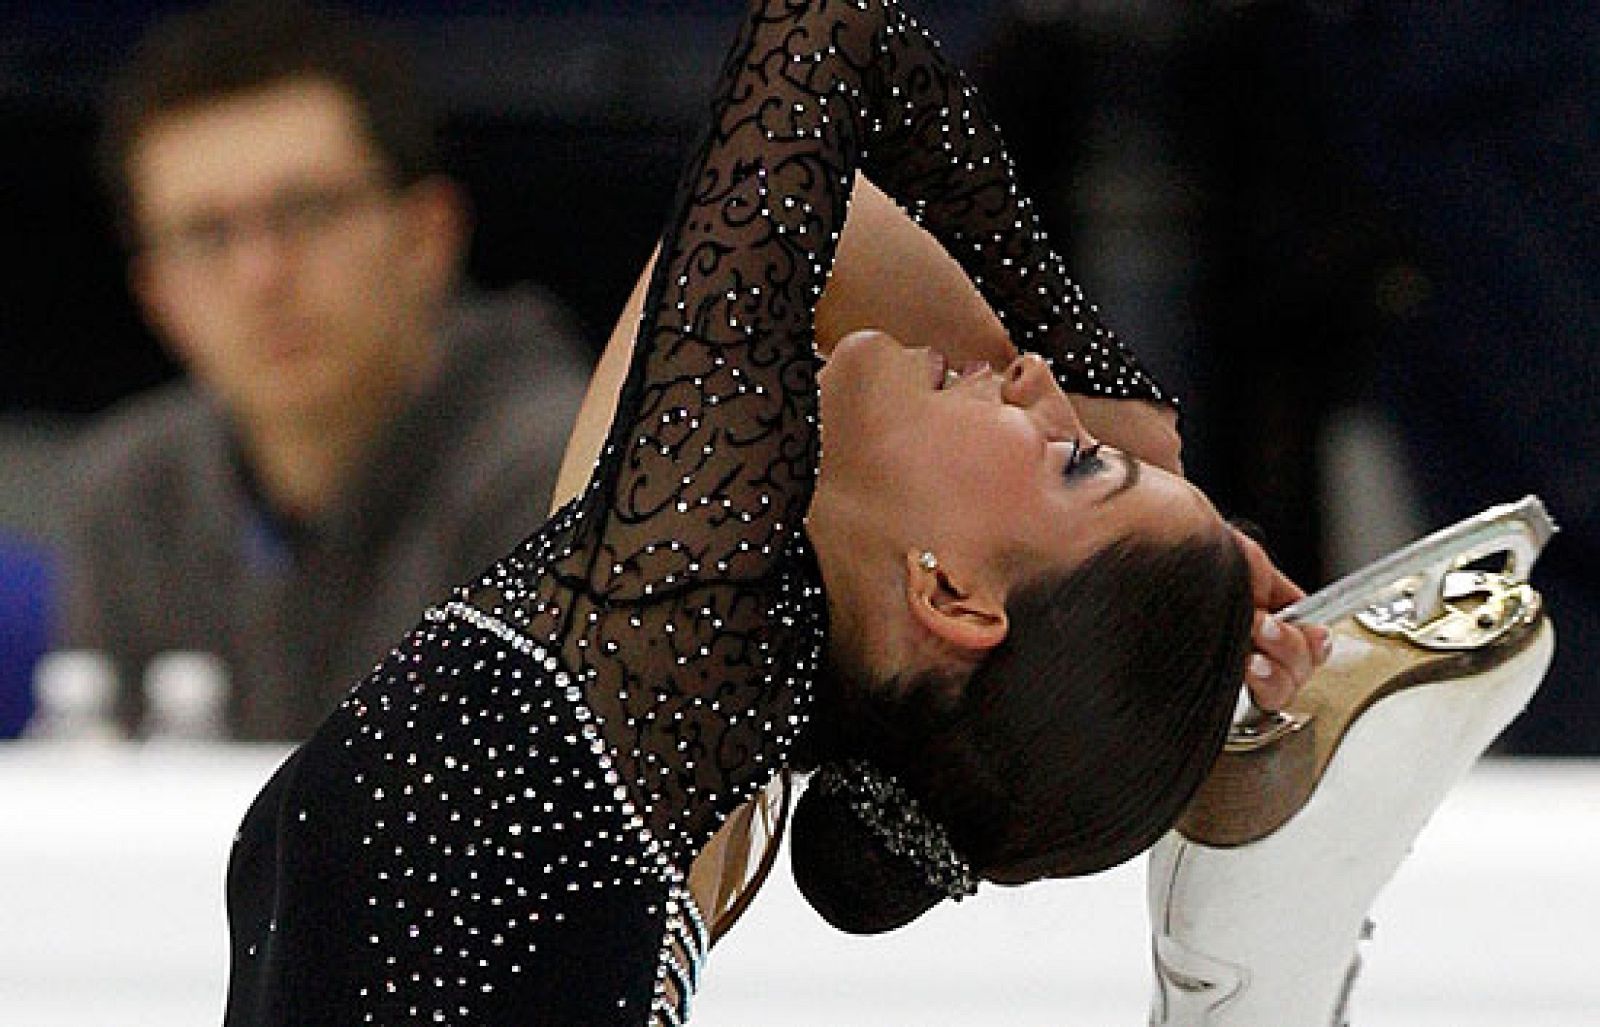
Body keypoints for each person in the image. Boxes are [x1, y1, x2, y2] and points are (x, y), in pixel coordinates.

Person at [224, 2, 1325, 1022]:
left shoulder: (671, 622)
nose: (1026, 379)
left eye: (1071, 467)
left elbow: (825, 38)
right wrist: (1102, 438)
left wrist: (1124, 419)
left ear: (947, 590)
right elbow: (817, 229)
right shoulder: (677, 678)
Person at [58, 0, 590, 740]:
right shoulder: (132, 490)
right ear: (159, 295)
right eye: (206, 235)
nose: (262, 275)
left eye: (308, 211)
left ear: (426, 235)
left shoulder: (560, 471)